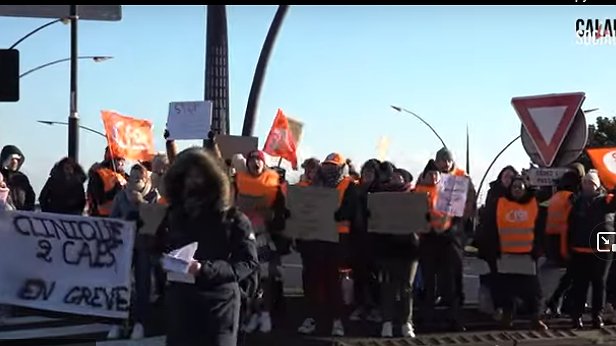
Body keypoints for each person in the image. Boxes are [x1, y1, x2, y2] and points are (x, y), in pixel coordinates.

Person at [159, 147, 259, 346]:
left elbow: (247, 262)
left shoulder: (233, 219)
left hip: (219, 305)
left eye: (198, 177)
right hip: (182, 302)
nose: (192, 183)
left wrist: (204, 269)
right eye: (187, 177)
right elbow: (159, 246)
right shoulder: (175, 215)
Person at [297, 153, 358, 337]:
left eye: (333, 166)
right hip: (315, 239)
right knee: (312, 280)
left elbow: (348, 212)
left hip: (338, 240)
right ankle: (313, 318)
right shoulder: (313, 184)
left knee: (335, 282)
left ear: (341, 168)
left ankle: (337, 321)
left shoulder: (349, 186)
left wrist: (325, 213)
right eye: (327, 165)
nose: (329, 169)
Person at [479, 175, 548, 330]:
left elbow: (541, 229)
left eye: (520, 187)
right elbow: (490, 227)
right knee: (506, 290)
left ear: (525, 188)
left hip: (527, 256)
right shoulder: (500, 204)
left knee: (533, 292)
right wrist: (491, 249)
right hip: (505, 255)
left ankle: (535, 318)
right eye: (514, 187)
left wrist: (538, 248)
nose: (517, 190)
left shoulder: (534, 204)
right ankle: (507, 316)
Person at [235, 150, 287, 334]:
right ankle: (251, 314)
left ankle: (266, 314)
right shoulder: (237, 181)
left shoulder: (275, 183)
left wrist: (272, 215)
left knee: (266, 276)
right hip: (243, 236)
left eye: (259, 159)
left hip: (266, 235)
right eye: (252, 160)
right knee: (247, 278)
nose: (255, 163)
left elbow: (283, 212)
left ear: (264, 163)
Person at [107, 163, 160, 340]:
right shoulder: (121, 196)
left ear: (146, 179)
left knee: (142, 285)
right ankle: (118, 322)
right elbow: (112, 220)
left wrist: (142, 205)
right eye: (133, 176)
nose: (135, 179)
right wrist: (123, 221)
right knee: (121, 284)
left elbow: (157, 219)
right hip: (124, 247)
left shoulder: (153, 195)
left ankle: (140, 323)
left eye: (139, 177)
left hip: (144, 246)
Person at [369, 161, 419, 338]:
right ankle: (387, 323)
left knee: (406, 288)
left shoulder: (415, 197)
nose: (395, 178)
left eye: (400, 176)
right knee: (387, 287)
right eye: (394, 175)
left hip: (409, 249)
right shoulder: (381, 196)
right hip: (387, 248)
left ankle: (406, 323)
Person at [415, 159, 465, 332]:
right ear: (424, 175)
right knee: (429, 283)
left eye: (436, 173)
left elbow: (458, 217)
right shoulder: (417, 192)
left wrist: (449, 232)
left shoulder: (450, 190)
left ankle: (454, 318)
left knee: (450, 282)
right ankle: (426, 318)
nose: (434, 176)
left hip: (448, 241)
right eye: (430, 173)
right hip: (428, 241)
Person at [568, 170, 616, 329]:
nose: (588, 185)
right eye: (586, 182)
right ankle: (577, 316)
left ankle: (597, 316)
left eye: (592, 183)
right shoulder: (576, 201)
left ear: (597, 185)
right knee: (580, 285)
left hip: (602, 249)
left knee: (599, 284)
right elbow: (570, 226)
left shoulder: (607, 201)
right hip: (580, 249)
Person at [475, 166, 518, 319]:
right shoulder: (493, 193)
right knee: (496, 276)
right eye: (506, 176)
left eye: (511, 177)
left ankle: (508, 309)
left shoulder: (519, 194)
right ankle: (499, 307)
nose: (508, 179)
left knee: (511, 277)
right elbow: (488, 217)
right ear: (500, 177)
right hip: (493, 242)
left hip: (513, 243)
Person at [348, 158, 382, 324]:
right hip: (357, 237)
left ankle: (375, 307)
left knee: (374, 276)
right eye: (365, 172)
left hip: (375, 240)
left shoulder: (380, 191)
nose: (367, 175)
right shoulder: (355, 189)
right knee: (359, 275)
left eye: (371, 172)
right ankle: (360, 305)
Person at [544, 171, 581, 317]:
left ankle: (558, 301)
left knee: (572, 274)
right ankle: (559, 301)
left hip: (553, 240)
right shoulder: (571, 197)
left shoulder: (556, 197)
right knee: (574, 275)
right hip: (567, 240)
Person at [87, 147, 128, 217]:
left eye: (123, 160)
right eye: (118, 159)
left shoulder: (125, 177)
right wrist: (116, 189)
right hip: (101, 217)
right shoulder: (98, 175)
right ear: (110, 160)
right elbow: (100, 199)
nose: (121, 163)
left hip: (120, 215)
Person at [0, 145, 35, 211]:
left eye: (17, 159)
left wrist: (27, 211)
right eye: (12, 159)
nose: (15, 162)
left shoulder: (22, 178)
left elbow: (31, 197)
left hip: (20, 217)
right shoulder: (1, 177)